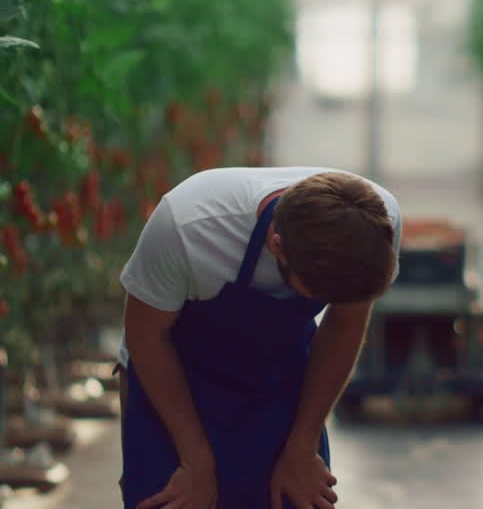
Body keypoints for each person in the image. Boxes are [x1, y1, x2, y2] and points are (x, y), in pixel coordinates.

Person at [116, 167, 402, 509]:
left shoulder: (374, 225)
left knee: (295, 494)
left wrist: (302, 445)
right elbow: (146, 336)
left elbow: (346, 323)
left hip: (280, 378)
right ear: (276, 245)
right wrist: (195, 460)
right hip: (172, 376)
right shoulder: (188, 226)